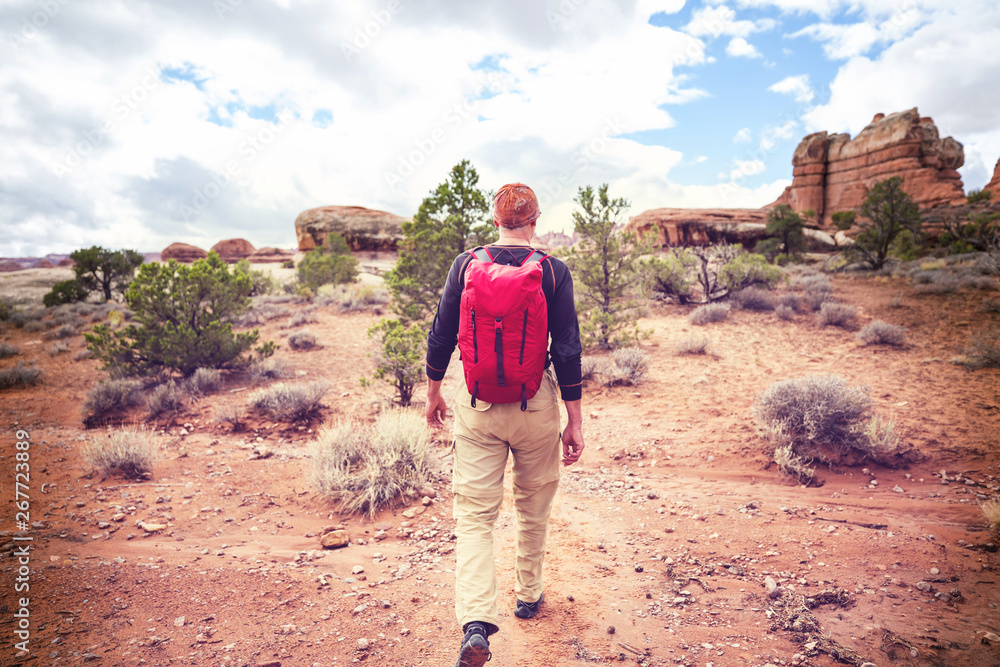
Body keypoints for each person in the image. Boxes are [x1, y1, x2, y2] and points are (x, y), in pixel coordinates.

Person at [424, 182, 585, 667]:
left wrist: (433, 392)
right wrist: (574, 420)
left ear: (496, 220)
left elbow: (441, 334)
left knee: (474, 516)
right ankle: (529, 595)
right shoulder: (553, 271)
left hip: (476, 406)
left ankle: (476, 622)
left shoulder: (466, 263)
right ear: (535, 220)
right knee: (533, 505)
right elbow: (568, 348)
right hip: (535, 404)